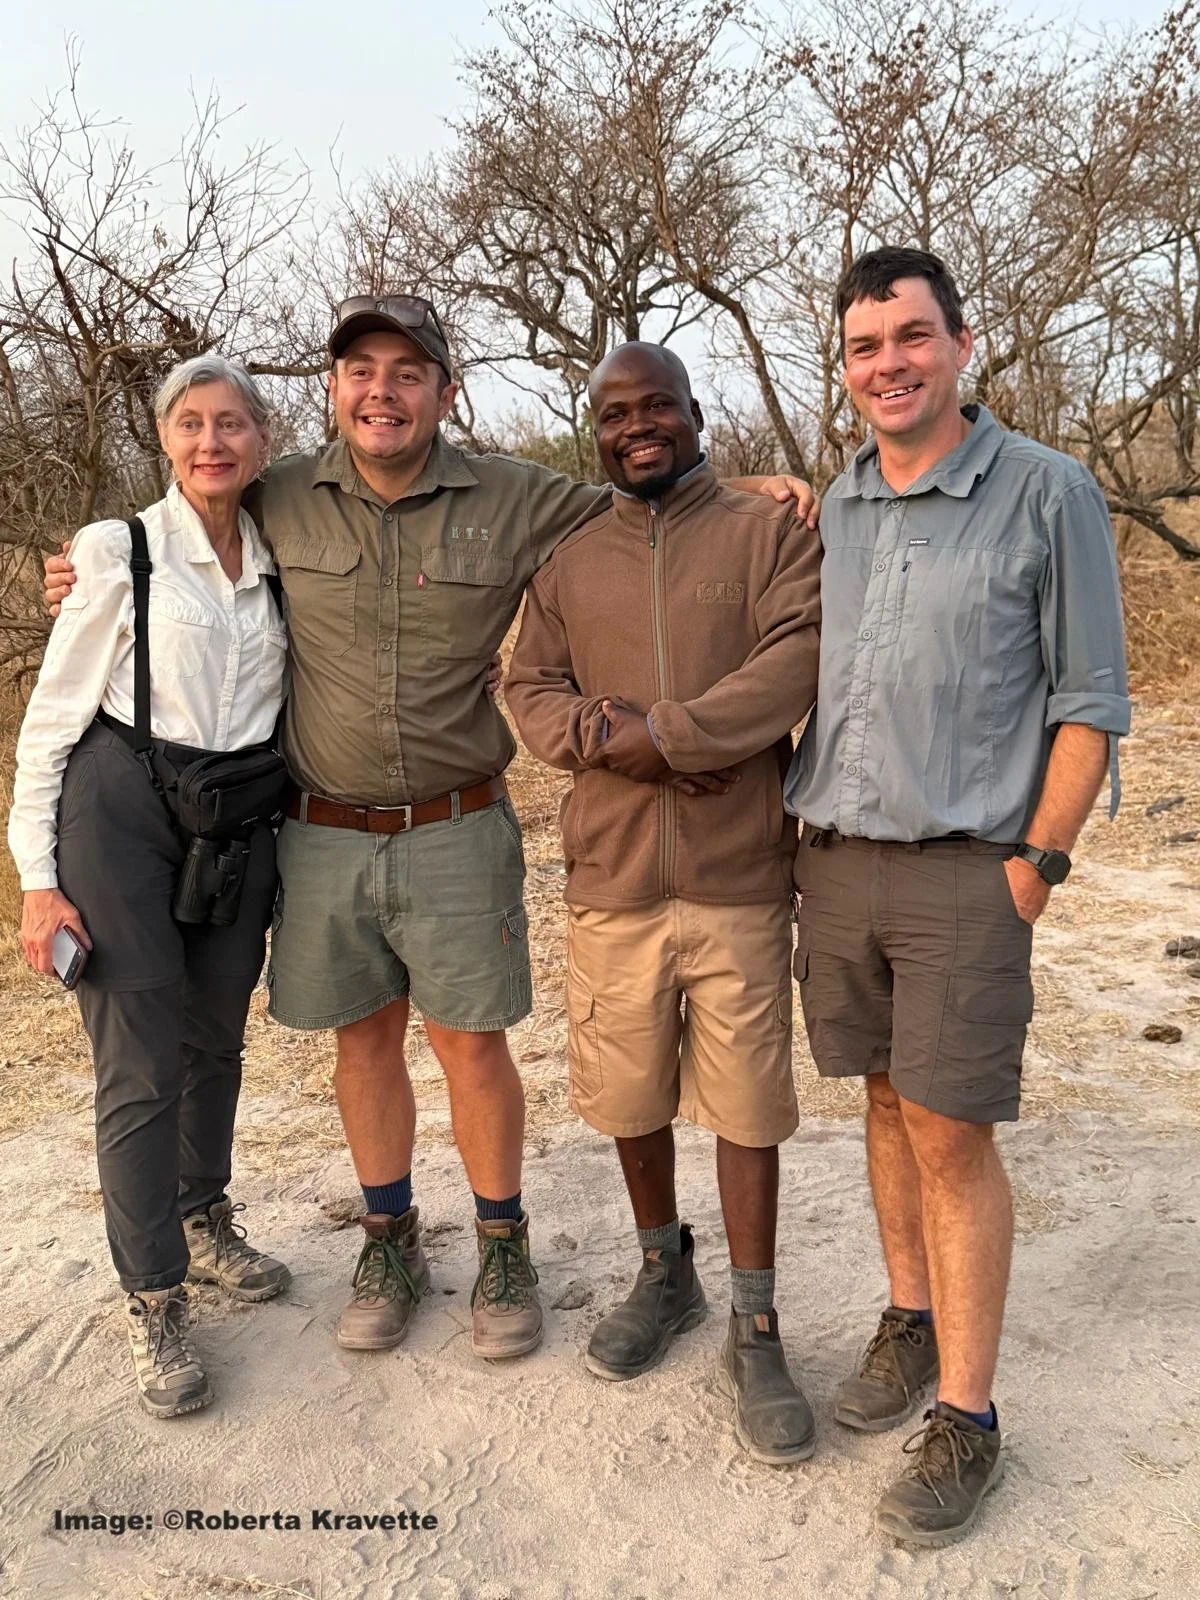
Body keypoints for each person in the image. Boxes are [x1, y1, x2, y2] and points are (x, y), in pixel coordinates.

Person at [44, 295, 818, 1364]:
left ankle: (503, 1241)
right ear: (331, 391)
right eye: (360, 369)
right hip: (320, 826)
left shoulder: (513, 496)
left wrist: (753, 493)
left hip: (457, 821)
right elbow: (191, 512)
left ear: (445, 393)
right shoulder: (279, 495)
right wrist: (88, 568)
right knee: (364, 1039)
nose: (382, 390)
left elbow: (648, 491)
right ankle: (389, 1236)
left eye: (408, 371)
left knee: (469, 1042)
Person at [787, 248, 1130, 1542]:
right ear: (847, 364)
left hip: (970, 873)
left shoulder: (1049, 493)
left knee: (950, 1131)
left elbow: (1093, 701)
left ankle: (969, 1416)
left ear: (962, 342)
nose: (890, 363)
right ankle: (908, 1316)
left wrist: (1034, 869)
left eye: (911, 337)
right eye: (866, 345)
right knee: (883, 1100)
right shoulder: (842, 502)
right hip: (838, 862)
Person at [506, 343, 822, 1462]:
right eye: (615, 413)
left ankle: (756, 1316)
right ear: (594, 429)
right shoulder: (570, 554)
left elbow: (798, 659)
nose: (639, 427)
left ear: (696, 414)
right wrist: (620, 743)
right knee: (629, 1089)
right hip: (614, 880)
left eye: (659, 408)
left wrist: (676, 731)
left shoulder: (766, 532)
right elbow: (528, 690)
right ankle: (663, 1269)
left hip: (741, 874)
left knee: (746, 1106)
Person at [10, 355, 291, 1418]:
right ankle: (155, 1292)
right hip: (120, 808)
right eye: (190, 424)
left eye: (232, 424)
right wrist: (39, 881)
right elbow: (51, 719)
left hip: (237, 818)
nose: (212, 442)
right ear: (164, 441)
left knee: (217, 1032)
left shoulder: (281, 555)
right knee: (139, 1052)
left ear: (264, 440)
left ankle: (203, 1213)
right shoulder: (113, 551)